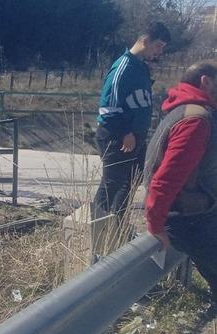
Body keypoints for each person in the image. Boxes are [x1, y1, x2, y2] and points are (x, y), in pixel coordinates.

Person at [144, 61, 217, 308]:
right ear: (206, 81)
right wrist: (156, 224)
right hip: (190, 219)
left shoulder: (186, 110)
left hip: (196, 214)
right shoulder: (196, 119)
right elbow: (166, 178)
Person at [94, 22, 171, 218]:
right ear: (145, 41)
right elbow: (107, 108)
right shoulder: (123, 67)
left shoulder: (141, 68)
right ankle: (97, 230)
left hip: (135, 137)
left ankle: (116, 227)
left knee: (129, 182)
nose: (159, 52)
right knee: (112, 184)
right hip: (117, 137)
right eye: (158, 46)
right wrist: (124, 133)